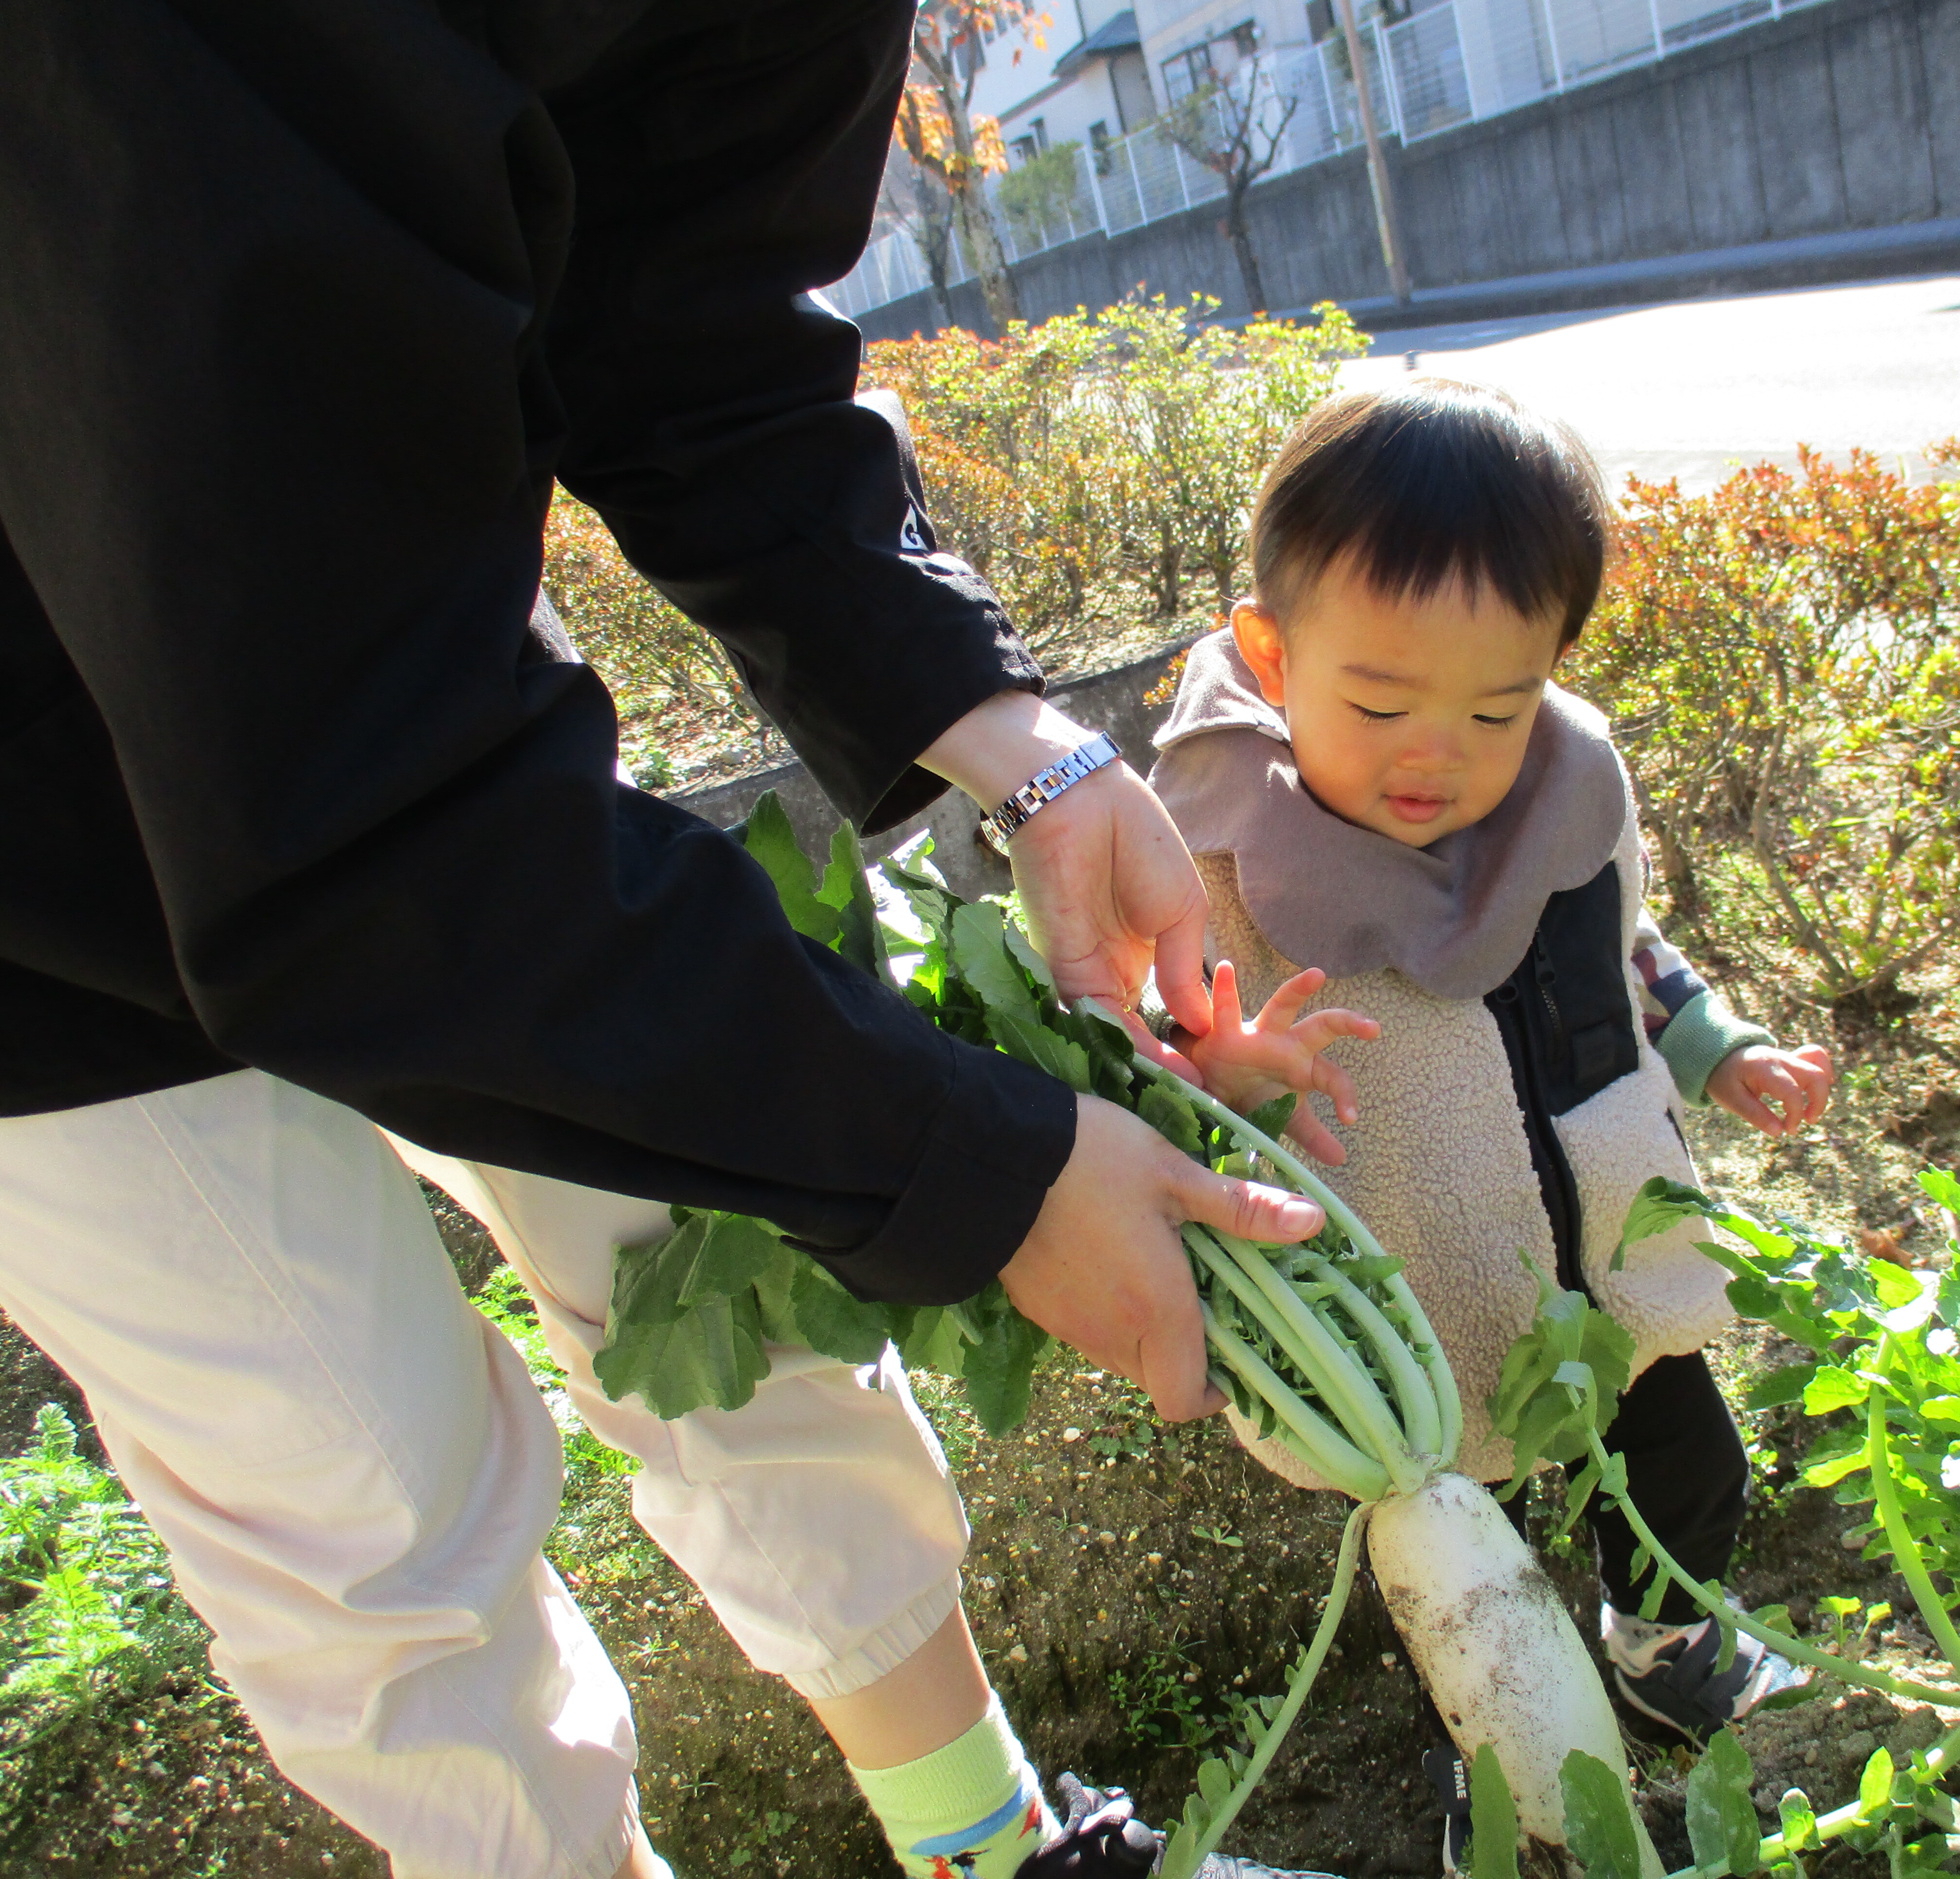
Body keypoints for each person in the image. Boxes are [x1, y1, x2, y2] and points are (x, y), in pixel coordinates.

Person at [0, 3, 1337, 1876]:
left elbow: (686, 325)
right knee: (373, 1537)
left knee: (734, 1299)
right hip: (45, 918)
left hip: (406, 697)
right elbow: (334, 813)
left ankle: (992, 1852)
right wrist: (983, 1167)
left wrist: (1011, 740)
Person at [1144, 382, 1839, 1809]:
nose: (1438, 755)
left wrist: (1717, 1047)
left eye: (1496, 708)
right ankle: (1503, 1758)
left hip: (1606, 1219)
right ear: (1270, 657)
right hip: (1422, 1267)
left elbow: (1620, 946)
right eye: (1382, 702)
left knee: (1687, 1466)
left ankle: (1665, 1648)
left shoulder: (1562, 787)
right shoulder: (1213, 851)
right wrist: (1222, 1074)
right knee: (1461, 1554)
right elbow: (1159, 1062)